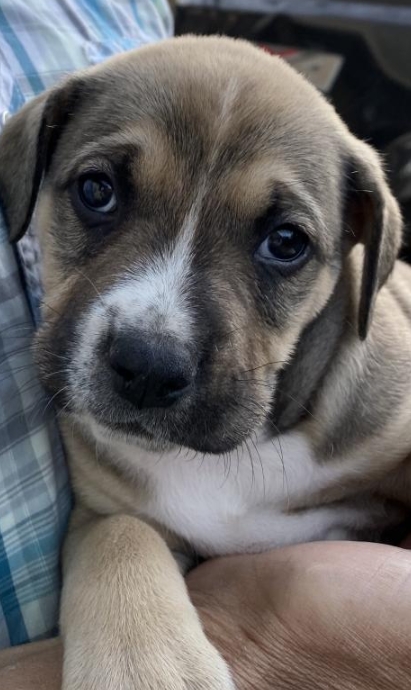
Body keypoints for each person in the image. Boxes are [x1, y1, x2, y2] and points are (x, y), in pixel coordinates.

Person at [1, 2, 411, 688]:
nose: (158, 342)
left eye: (283, 244)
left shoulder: (381, 399)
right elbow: (109, 522)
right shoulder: (99, 455)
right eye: (99, 193)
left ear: (359, 255)